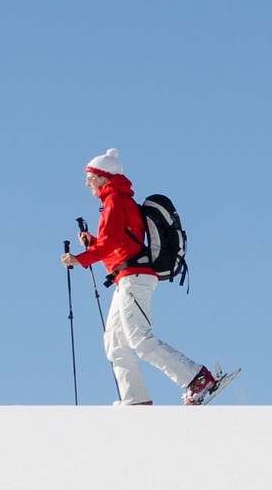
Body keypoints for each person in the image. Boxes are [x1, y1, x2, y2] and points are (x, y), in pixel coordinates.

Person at [67, 148, 222, 405]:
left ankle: (197, 378)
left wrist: (80, 258)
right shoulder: (117, 201)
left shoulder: (115, 201)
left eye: (91, 177)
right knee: (115, 343)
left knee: (139, 338)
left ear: (105, 176)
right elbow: (120, 245)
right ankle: (136, 401)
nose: (87, 183)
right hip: (127, 276)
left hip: (134, 278)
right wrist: (92, 243)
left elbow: (112, 241)